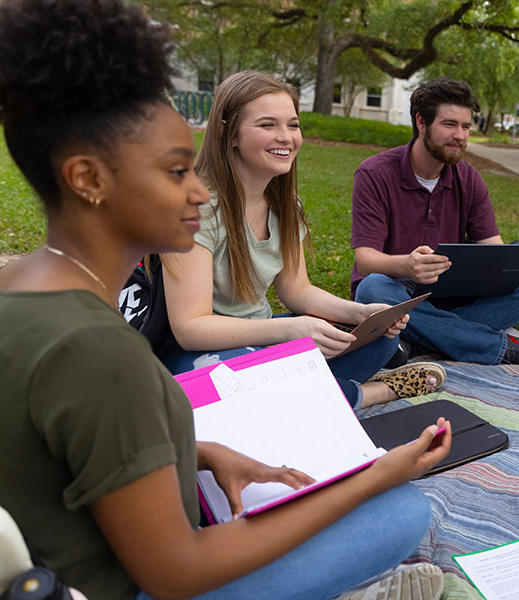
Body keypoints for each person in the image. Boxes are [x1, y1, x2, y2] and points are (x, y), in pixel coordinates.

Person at [0, 2, 452, 600]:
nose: (199, 189)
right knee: (404, 509)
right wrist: (369, 480)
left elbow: (68, 449)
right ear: (88, 179)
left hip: (92, 539)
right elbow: (176, 573)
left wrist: (198, 452)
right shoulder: (100, 356)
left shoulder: (14, 293)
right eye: (177, 169)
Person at [156, 70, 446, 410]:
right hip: (198, 354)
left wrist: (363, 313)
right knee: (237, 387)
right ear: (228, 133)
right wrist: (291, 330)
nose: (286, 137)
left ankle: (314, 389)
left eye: (292, 125)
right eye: (267, 125)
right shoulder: (194, 209)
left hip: (261, 337)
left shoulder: (284, 205)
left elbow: (296, 290)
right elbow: (190, 328)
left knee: (378, 339)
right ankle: (373, 393)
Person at [350, 77, 519, 370]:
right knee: (372, 288)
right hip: (395, 293)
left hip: (449, 295)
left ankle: (417, 343)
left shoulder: (468, 177)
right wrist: (408, 265)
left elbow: (494, 251)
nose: (460, 136)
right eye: (450, 124)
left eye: (466, 126)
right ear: (421, 122)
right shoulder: (374, 174)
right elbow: (365, 261)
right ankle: (503, 349)